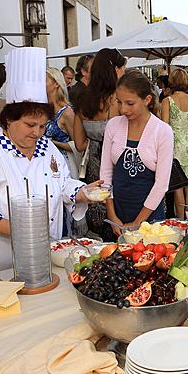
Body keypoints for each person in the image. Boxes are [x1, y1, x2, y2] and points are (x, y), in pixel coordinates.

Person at [0, 47, 102, 271]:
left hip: (38, 254)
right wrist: (21, 229)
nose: (37, 132)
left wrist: (81, 192)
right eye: (29, 125)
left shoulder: (47, 148)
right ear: (8, 120)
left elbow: (62, 182)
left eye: (42, 126)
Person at [101, 69, 173, 233]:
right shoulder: (113, 125)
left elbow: (161, 185)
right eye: (119, 102)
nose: (123, 110)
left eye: (130, 103)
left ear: (147, 100)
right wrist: (112, 216)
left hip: (150, 216)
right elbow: (105, 174)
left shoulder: (162, 131)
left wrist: (139, 222)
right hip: (117, 213)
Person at [72, 48, 126, 240]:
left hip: (94, 163)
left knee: (98, 205)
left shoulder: (82, 100)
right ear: (116, 70)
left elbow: (79, 144)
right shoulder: (117, 100)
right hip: (117, 162)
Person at [160, 69, 188, 218]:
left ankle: (181, 219)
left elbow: (164, 125)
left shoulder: (168, 101)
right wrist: (185, 128)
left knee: (178, 186)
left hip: (175, 143)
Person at [45, 67, 78, 178]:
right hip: (44, 164)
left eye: (45, 80)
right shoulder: (42, 110)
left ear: (56, 84)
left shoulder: (67, 112)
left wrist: (53, 143)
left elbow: (77, 145)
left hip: (63, 165)